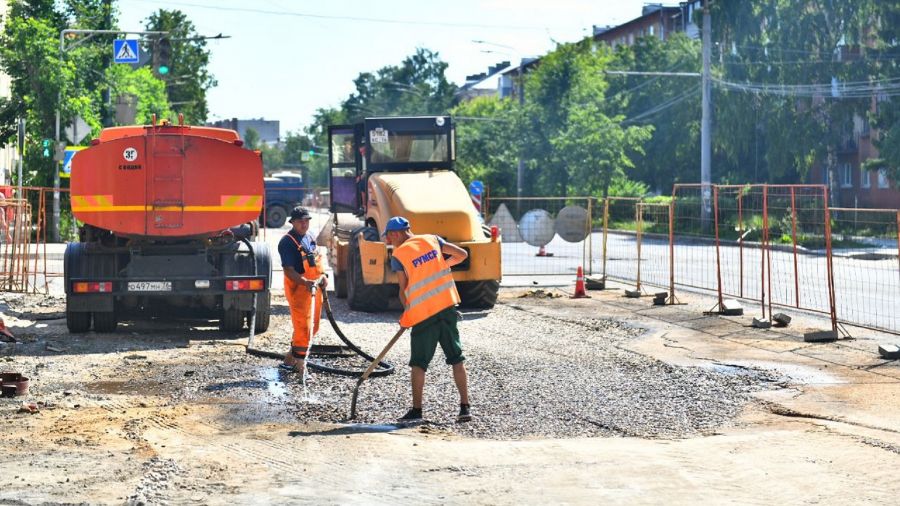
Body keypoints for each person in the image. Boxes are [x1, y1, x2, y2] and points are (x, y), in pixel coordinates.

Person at [382, 216, 472, 423]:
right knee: (456, 358)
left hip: (424, 315)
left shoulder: (399, 254)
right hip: (448, 308)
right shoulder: (432, 240)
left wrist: (407, 315)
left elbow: (402, 291)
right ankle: (465, 407)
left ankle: (417, 411)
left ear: (396, 234)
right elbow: (462, 254)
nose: (388, 240)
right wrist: (443, 265)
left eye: (389, 236)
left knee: (418, 364)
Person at [277, 206, 327, 374]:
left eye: (306, 221)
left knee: (314, 325)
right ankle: (301, 367)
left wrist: (324, 275)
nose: (304, 224)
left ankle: (289, 361)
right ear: (292, 222)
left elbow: (318, 259)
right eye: (300, 221)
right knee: (303, 327)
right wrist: (305, 282)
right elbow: (289, 270)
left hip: (314, 287)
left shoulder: (310, 237)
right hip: (298, 288)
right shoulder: (287, 242)